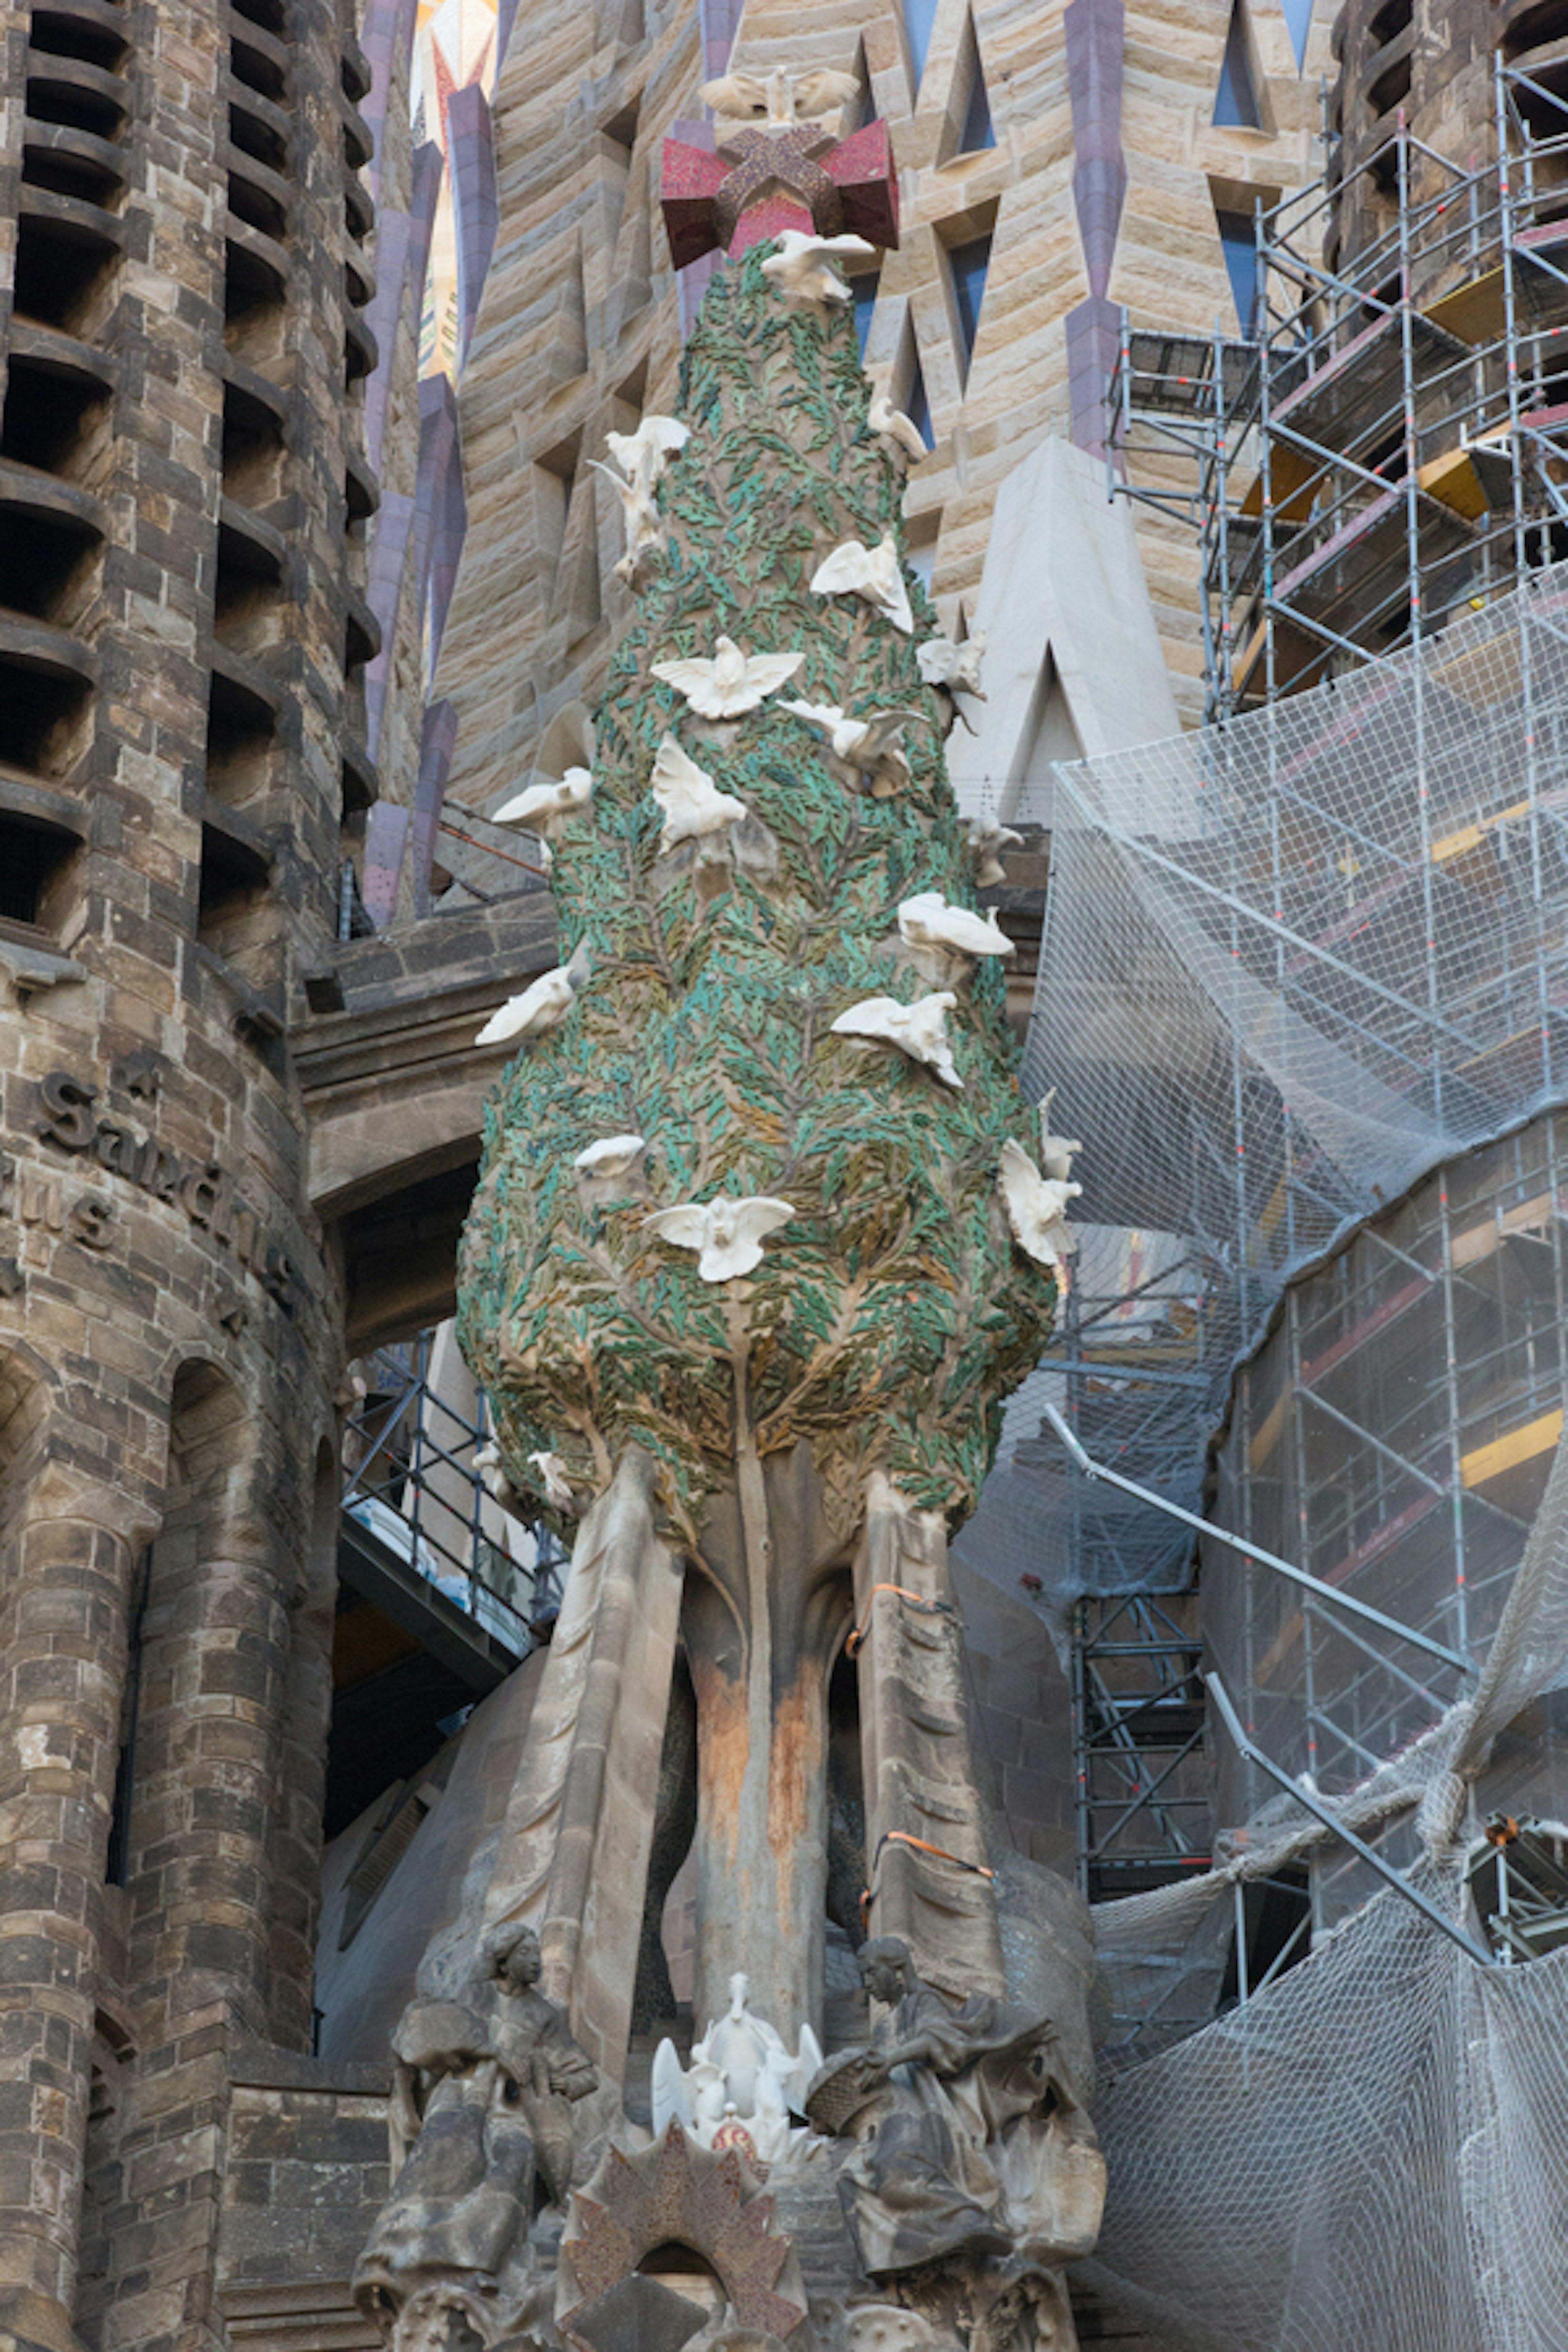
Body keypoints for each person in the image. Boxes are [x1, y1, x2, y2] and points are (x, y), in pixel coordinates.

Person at [354, 1924, 597, 2328]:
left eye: (537, 1952)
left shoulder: (545, 2014)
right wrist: (491, 2051)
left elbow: (585, 2075)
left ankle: (482, 2263)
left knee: (513, 2163)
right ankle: (392, 2256)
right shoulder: (474, 1996)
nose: (536, 1960)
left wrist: (554, 2081)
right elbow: (417, 2034)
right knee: (439, 2161)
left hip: (513, 2105)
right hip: (461, 2095)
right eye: (527, 1952)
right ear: (505, 1960)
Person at [812, 1937, 1086, 2278]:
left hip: (930, 2112)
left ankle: (963, 2221)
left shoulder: (924, 2001)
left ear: (897, 1970)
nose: (866, 1983)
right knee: (852, 2177)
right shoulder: (887, 2023)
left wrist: (891, 2058)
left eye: (871, 1973)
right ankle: (905, 2250)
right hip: (894, 2113)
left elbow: (941, 2041)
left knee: (891, 2164)